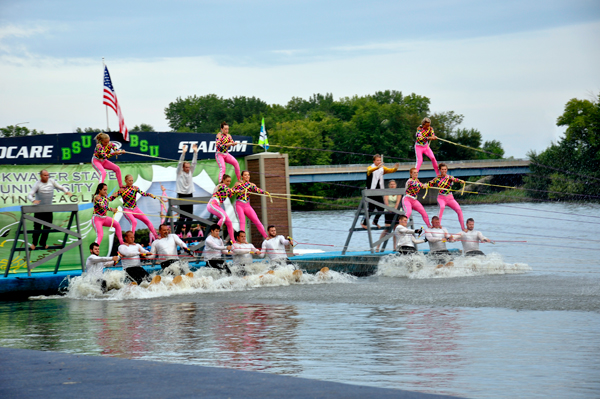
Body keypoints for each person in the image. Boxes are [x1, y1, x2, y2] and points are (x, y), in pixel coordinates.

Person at [27, 169, 72, 250]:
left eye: (48, 175)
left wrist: (66, 191)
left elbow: (61, 187)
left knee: (47, 227)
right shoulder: (37, 184)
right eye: (45, 175)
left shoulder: (51, 181)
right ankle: (34, 243)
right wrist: (33, 200)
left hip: (49, 209)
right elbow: (30, 194)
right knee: (37, 227)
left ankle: (43, 242)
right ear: (41, 176)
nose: (47, 177)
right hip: (39, 210)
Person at [117, 174, 162, 241]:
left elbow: (143, 193)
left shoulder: (135, 188)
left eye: (132, 181)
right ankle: (131, 240)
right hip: (127, 210)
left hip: (135, 209)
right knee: (134, 221)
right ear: (125, 181)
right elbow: (113, 197)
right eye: (129, 181)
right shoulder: (122, 190)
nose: (131, 182)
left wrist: (149, 194)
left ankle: (156, 236)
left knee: (147, 221)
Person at [361, 154, 399, 229]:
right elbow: (369, 171)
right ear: (374, 161)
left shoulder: (382, 168)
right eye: (377, 160)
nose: (379, 162)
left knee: (381, 208)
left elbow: (390, 170)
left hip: (378, 191)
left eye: (380, 160)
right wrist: (376, 168)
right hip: (371, 191)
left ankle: (374, 221)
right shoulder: (370, 168)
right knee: (372, 208)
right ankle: (364, 223)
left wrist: (395, 168)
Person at [427, 163, 466, 231]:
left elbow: (455, 179)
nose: (444, 171)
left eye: (445, 169)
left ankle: (463, 228)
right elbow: (429, 184)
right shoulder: (437, 179)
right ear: (440, 170)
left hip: (450, 198)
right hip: (441, 198)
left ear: (447, 170)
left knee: (459, 210)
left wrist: (460, 181)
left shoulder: (449, 177)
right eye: (442, 169)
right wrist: (430, 182)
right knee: (442, 207)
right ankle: (438, 225)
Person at [232, 170, 269, 239]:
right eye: (245, 175)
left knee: (256, 220)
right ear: (242, 176)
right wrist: (237, 189)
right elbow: (231, 192)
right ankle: (241, 239)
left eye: (248, 175)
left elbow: (257, 190)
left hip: (247, 205)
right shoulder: (238, 184)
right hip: (239, 205)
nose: (247, 176)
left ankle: (266, 237)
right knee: (242, 222)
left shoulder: (251, 185)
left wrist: (264, 192)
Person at [207, 174, 237, 243]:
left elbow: (230, 194)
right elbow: (230, 191)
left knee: (229, 223)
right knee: (223, 217)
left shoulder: (225, 188)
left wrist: (235, 188)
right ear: (223, 180)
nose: (229, 183)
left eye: (230, 181)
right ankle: (215, 232)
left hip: (217, 206)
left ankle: (233, 241)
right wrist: (236, 188)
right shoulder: (222, 185)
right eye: (227, 181)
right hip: (213, 204)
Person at [176, 143, 198, 235]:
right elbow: (180, 163)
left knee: (190, 214)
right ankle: (177, 232)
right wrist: (183, 153)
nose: (188, 169)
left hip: (189, 194)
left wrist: (195, 152)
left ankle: (187, 232)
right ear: (183, 168)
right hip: (181, 194)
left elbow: (194, 162)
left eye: (189, 167)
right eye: (186, 167)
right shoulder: (179, 173)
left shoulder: (190, 172)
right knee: (182, 215)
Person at [376, 180, 401, 251]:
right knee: (386, 230)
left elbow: (397, 203)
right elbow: (386, 202)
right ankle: (378, 247)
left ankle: (395, 247)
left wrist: (395, 209)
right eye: (391, 184)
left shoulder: (399, 192)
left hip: (396, 212)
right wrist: (389, 209)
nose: (392, 185)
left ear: (396, 185)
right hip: (388, 211)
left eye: (394, 184)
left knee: (396, 230)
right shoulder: (386, 193)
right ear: (389, 186)